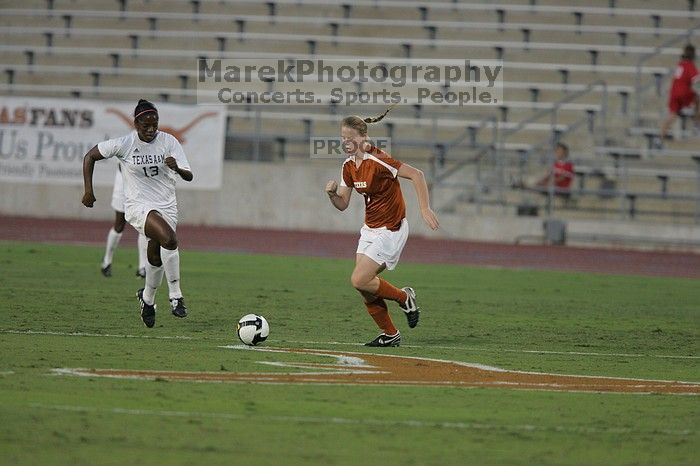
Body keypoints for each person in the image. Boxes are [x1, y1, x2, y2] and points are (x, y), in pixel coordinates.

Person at [325, 106, 440, 347]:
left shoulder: (378, 159)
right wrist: (332, 194)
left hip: (391, 228)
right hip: (370, 229)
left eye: (350, 138)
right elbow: (343, 204)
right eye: (343, 138)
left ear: (363, 137)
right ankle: (390, 335)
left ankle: (404, 297)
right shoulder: (348, 166)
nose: (346, 142)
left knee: (359, 279)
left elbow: (417, 175)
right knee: (365, 288)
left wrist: (424, 208)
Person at [82, 99, 193, 328]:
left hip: (167, 205)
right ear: (136, 123)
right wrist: (88, 191)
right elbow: (90, 156)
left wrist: (177, 168)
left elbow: (189, 175)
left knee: (154, 256)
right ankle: (176, 296)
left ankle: (148, 299)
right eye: (146, 125)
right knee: (169, 239)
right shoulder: (125, 144)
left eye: (155, 124)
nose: (151, 130)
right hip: (137, 206)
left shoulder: (169, 141)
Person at [101, 164, 149, 279]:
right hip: (124, 179)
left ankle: (142, 267)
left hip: (142, 181)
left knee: (143, 223)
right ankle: (107, 260)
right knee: (119, 224)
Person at [658, 44, 699, 143]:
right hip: (683, 91)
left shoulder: (680, 64)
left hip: (673, 92)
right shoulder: (689, 65)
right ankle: (697, 125)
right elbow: (697, 79)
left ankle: (660, 139)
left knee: (672, 114)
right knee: (698, 99)